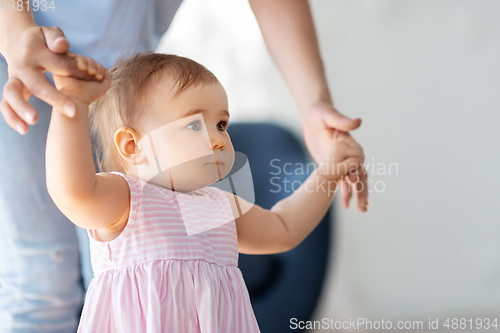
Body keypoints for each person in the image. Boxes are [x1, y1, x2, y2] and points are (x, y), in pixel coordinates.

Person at [0, 1, 368, 331]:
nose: (219, 137)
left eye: (221, 123)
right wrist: (73, 107)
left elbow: (285, 227)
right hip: (44, 51)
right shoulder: (127, 201)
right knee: (42, 282)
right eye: (194, 124)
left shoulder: (218, 207)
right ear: (132, 146)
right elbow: (70, 190)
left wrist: (329, 170)